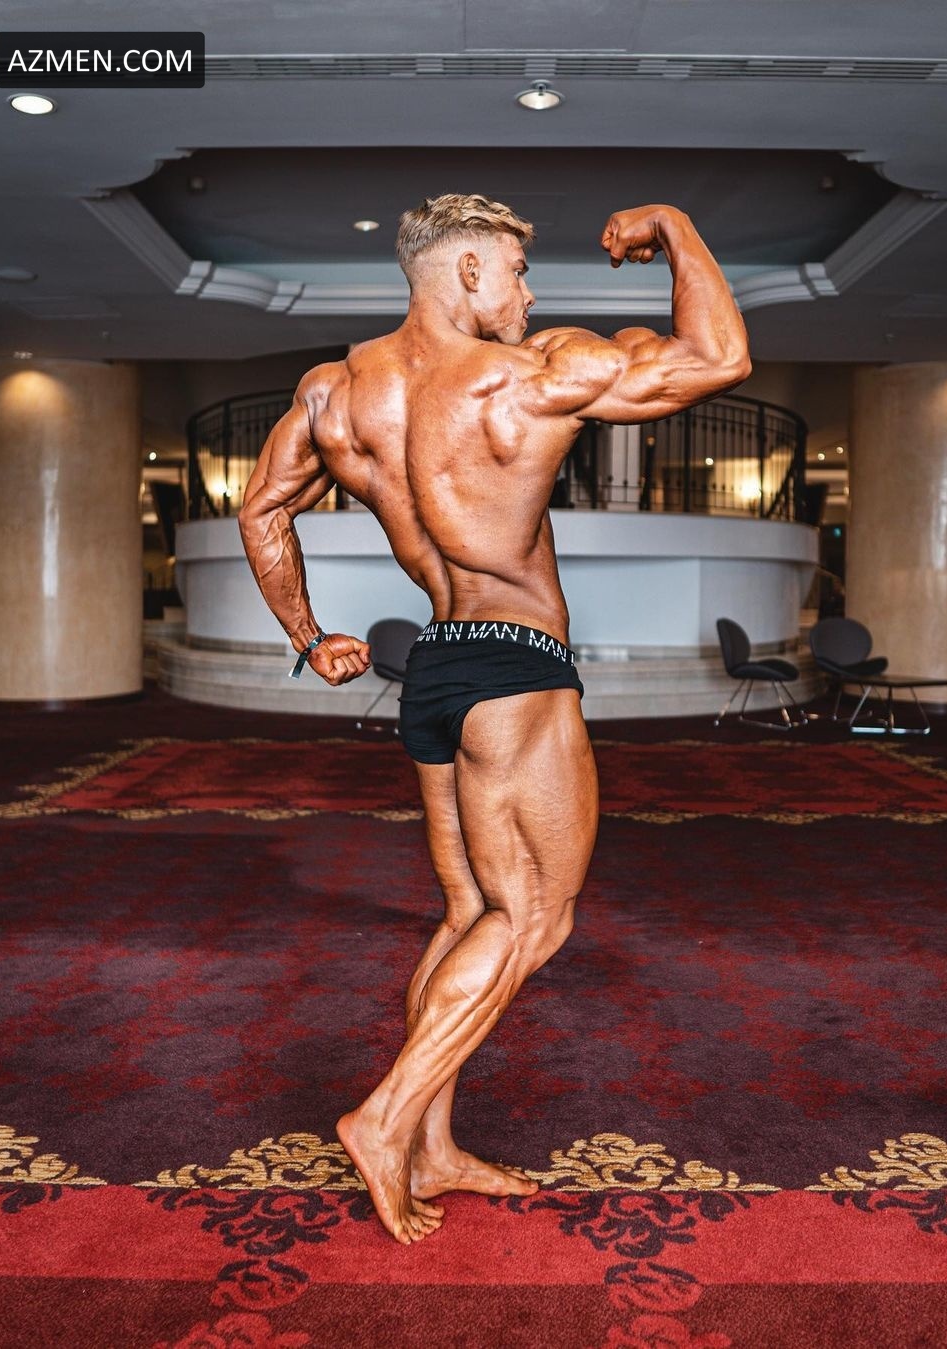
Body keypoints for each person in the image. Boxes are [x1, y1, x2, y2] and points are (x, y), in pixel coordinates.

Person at [238, 195, 750, 1244]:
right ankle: (384, 1118)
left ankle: (434, 1144)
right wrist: (673, 225)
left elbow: (262, 507)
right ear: (467, 269)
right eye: (516, 270)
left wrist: (310, 635)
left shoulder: (336, 391)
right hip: (515, 667)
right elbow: (719, 357)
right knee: (533, 917)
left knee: (470, 910)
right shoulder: (527, 375)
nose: (528, 291)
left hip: (433, 666)